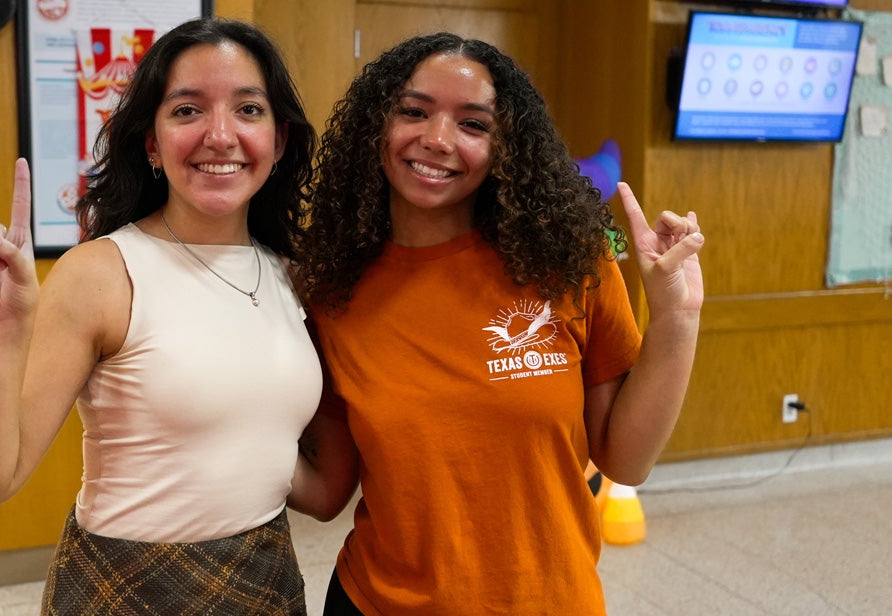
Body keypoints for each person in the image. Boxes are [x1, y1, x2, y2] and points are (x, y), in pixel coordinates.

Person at [0, 18, 355, 614]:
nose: (221, 135)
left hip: (265, 583)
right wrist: (3, 330)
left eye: (248, 109)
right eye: (186, 110)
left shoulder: (290, 276)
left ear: (278, 142)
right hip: (123, 586)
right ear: (152, 143)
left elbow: (324, 494)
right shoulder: (100, 273)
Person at [296, 33, 705, 614]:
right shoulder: (335, 290)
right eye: (413, 112)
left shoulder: (568, 262)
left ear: (505, 147)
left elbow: (625, 459)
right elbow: (327, 491)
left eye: (474, 125)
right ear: (375, 127)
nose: (436, 139)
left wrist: (677, 315)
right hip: (379, 602)